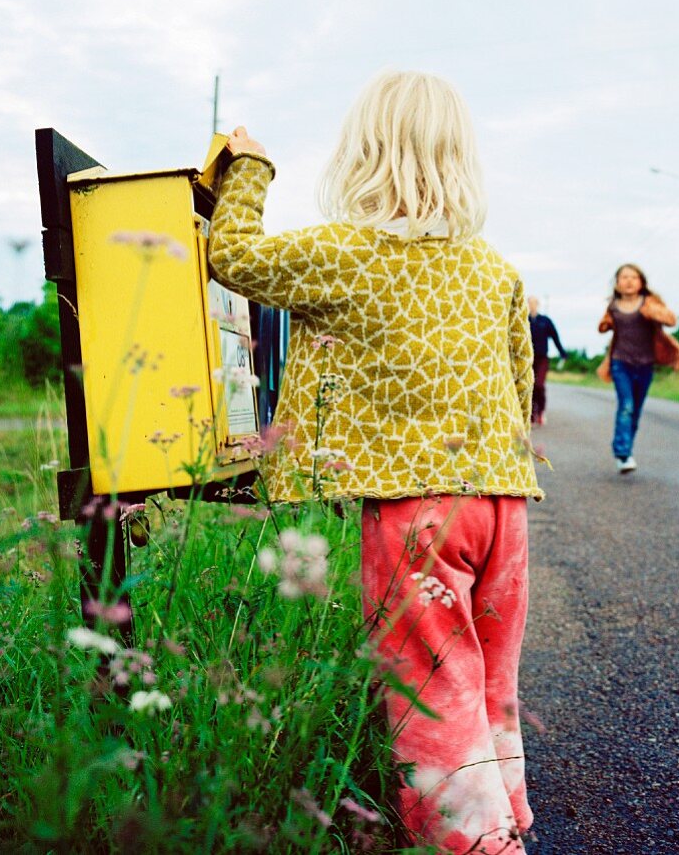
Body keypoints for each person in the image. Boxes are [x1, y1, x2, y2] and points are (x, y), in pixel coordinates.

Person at [208, 70, 542, 854]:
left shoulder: (345, 253)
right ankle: (508, 813)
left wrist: (248, 169)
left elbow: (233, 257)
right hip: (501, 505)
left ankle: (478, 846)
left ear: (362, 155)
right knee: (490, 680)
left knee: (432, 693)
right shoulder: (494, 268)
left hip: (415, 510)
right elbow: (518, 377)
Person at [597, 263, 679, 474]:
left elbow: (671, 320)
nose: (629, 281)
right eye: (624, 277)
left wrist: (652, 312)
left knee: (635, 410)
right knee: (626, 405)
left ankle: (627, 451)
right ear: (617, 283)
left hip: (645, 364)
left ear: (641, 282)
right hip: (620, 362)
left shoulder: (649, 302)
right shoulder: (613, 306)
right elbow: (604, 324)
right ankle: (622, 452)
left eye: (634, 277)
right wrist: (605, 324)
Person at [527, 297, 566, 426]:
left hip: (542, 358)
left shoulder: (545, 321)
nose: (531, 305)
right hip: (528, 359)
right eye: (529, 302)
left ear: (538, 304)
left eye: (534, 303)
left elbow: (555, 337)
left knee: (539, 384)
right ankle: (532, 415)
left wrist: (562, 353)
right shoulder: (524, 320)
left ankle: (541, 411)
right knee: (530, 386)